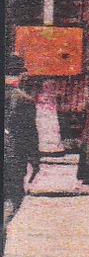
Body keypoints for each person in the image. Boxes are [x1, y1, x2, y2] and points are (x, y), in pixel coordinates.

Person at [5, 77, 42, 236]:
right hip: (12, 160)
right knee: (13, 197)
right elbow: (30, 134)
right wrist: (35, 161)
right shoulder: (24, 100)